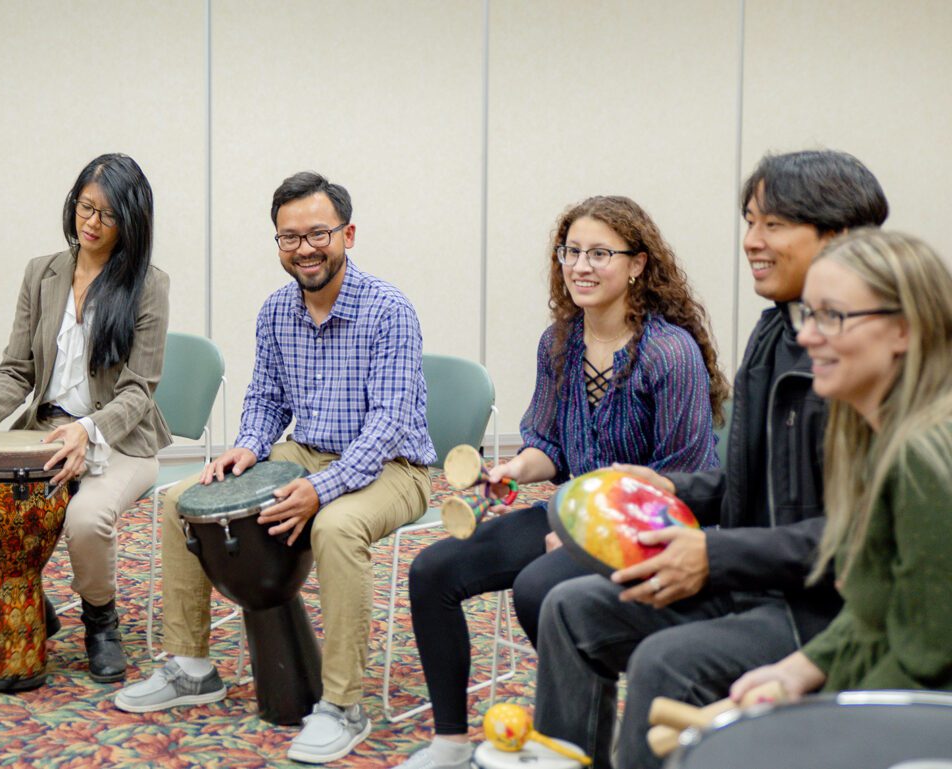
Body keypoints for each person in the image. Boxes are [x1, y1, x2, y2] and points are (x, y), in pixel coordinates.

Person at [530, 150, 890, 769]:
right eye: (749, 221)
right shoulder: (777, 332)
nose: (751, 241)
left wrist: (715, 555)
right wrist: (666, 487)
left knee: (666, 663)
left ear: (838, 236)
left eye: (772, 225)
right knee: (570, 609)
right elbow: (754, 483)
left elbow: (864, 536)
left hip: (824, 611)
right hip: (756, 579)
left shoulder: (869, 357)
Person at [393, 196, 729, 769]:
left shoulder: (669, 353)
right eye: (572, 251)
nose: (581, 266)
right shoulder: (559, 342)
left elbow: (680, 481)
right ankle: (450, 742)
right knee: (433, 570)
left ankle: (581, 740)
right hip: (568, 513)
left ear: (638, 264)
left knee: (539, 586)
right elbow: (546, 444)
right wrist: (511, 470)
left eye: (600, 253)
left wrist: (587, 537)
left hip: (650, 531)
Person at [114, 171, 435, 764]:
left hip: (393, 465)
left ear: (348, 234)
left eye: (318, 234)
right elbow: (265, 400)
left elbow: (388, 422)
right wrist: (250, 446)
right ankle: (191, 666)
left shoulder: (390, 311)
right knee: (182, 500)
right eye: (289, 238)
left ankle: (344, 705)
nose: (305, 249)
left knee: (337, 527)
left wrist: (322, 488)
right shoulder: (276, 311)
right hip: (304, 451)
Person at [0, 153, 170, 682]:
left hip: (121, 439)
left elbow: (138, 390)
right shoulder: (43, 272)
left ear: (131, 222)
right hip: (43, 431)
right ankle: (23, 598)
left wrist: (87, 431)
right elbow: (16, 370)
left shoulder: (148, 284)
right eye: (86, 207)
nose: (92, 223)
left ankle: (100, 621)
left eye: (108, 215)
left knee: (87, 520)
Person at [730, 229, 952, 699]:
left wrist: (817, 729)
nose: (807, 336)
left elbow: (928, 663)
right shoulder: (872, 435)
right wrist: (796, 671)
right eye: (808, 314)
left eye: (832, 316)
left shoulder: (924, 458)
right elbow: (877, 613)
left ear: (904, 329)